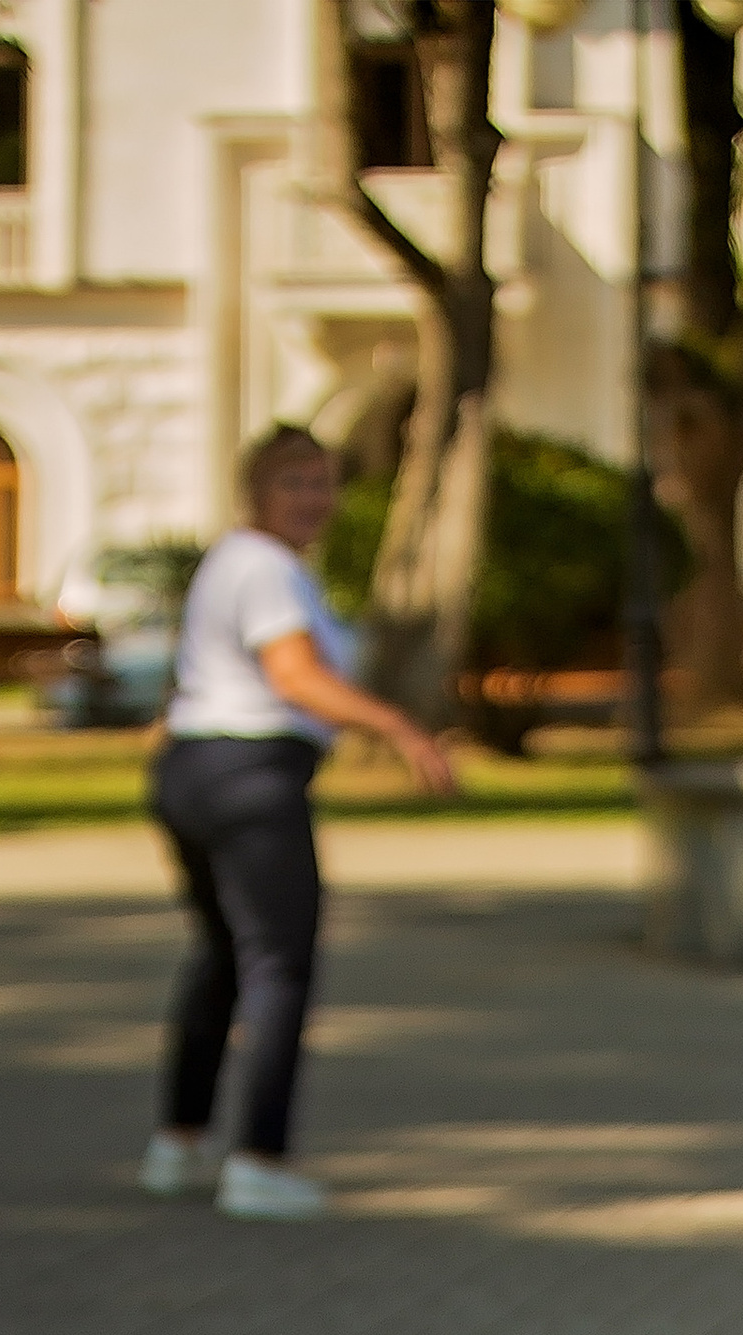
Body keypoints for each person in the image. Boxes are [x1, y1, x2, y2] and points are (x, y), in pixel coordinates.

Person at [141, 423, 458, 1222]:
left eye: (323, 483)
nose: (314, 500)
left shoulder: (230, 562)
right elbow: (294, 676)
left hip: (190, 768)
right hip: (252, 775)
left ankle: (177, 1145)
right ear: (257, 491)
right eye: (296, 483)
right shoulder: (271, 571)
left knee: (221, 955)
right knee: (279, 965)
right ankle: (259, 1160)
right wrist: (397, 727)